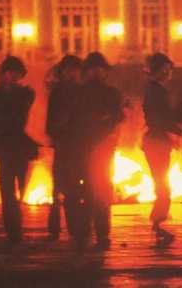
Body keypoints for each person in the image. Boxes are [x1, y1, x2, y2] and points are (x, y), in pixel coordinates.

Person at [0, 56, 37, 244]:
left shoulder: (26, 94)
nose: (13, 76)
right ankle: (13, 230)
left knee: (22, 187)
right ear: (4, 74)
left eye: (17, 73)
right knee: (7, 189)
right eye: (10, 72)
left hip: (20, 144)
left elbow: (23, 115)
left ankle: (17, 224)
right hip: (4, 145)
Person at [80, 52, 124, 250]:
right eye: (93, 69)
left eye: (100, 69)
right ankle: (84, 230)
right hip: (83, 146)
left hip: (104, 147)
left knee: (103, 189)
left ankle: (102, 233)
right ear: (87, 72)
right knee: (87, 190)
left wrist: (109, 127)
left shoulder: (112, 94)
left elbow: (118, 117)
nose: (96, 73)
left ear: (105, 72)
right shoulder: (80, 93)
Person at [142, 52, 182, 247]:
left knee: (162, 184)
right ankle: (157, 225)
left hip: (157, 142)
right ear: (156, 70)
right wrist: (177, 131)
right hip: (156, 143)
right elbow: (160, 119)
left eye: (169, 70)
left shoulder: (155, 90)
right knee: (162, 185)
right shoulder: (156, 91)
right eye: (165, 70)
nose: (168, 74)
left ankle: (158, 224)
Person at [45, 55, 84, 242]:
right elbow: (50, 123)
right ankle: (56, 225)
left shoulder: (83, 92)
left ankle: (76, 227)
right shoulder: (58, 92)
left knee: (75, 189)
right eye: (69, 70)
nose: (73, 73)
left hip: (80, 147)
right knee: (60, 187)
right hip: (64, 146)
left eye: (75, 70)